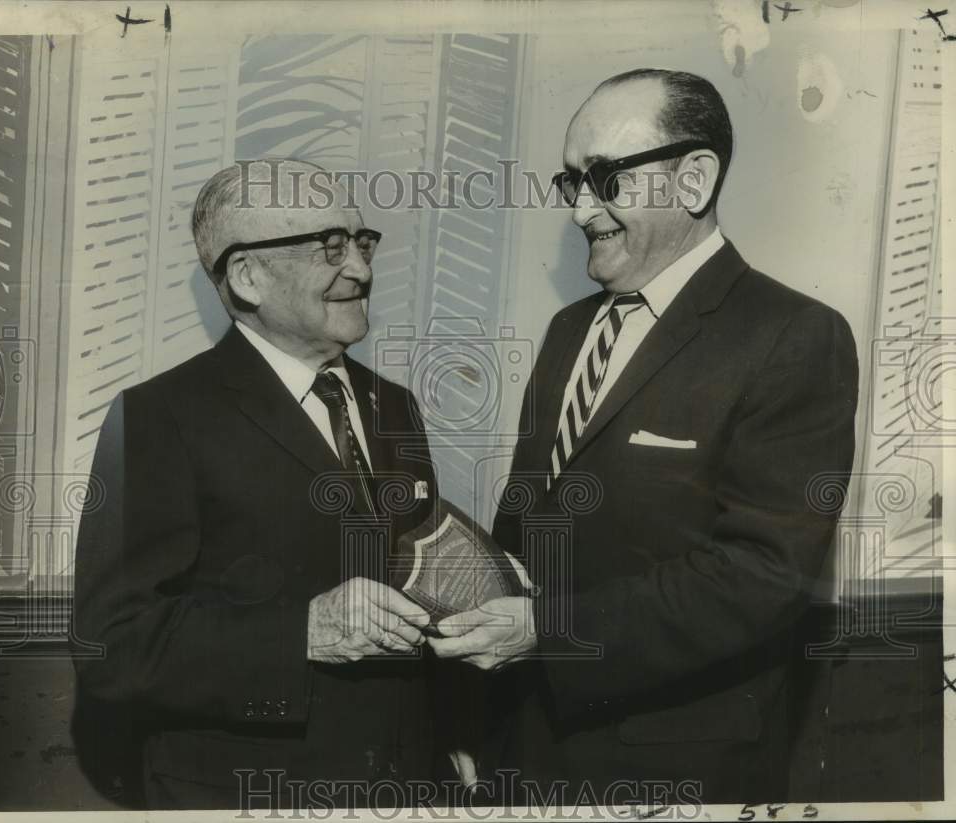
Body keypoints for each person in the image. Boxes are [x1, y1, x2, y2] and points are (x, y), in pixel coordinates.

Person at [429, 69, 859, 804]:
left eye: (604, 178)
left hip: (675, 766)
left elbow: (761, 577)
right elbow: (522, 533)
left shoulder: (792, 335)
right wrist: (474, 713)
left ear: (694, 180)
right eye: (572, 183)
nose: (580, 211)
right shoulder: (571, 331)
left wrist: (548, 630)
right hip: (524, 749)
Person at [71, 160, 439, 810]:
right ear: (247, 277)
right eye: (331, 246)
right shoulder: (160, 417)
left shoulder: (395, 406)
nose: (360, 268)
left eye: (362, 241)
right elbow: (113, 646)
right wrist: (303, 629)